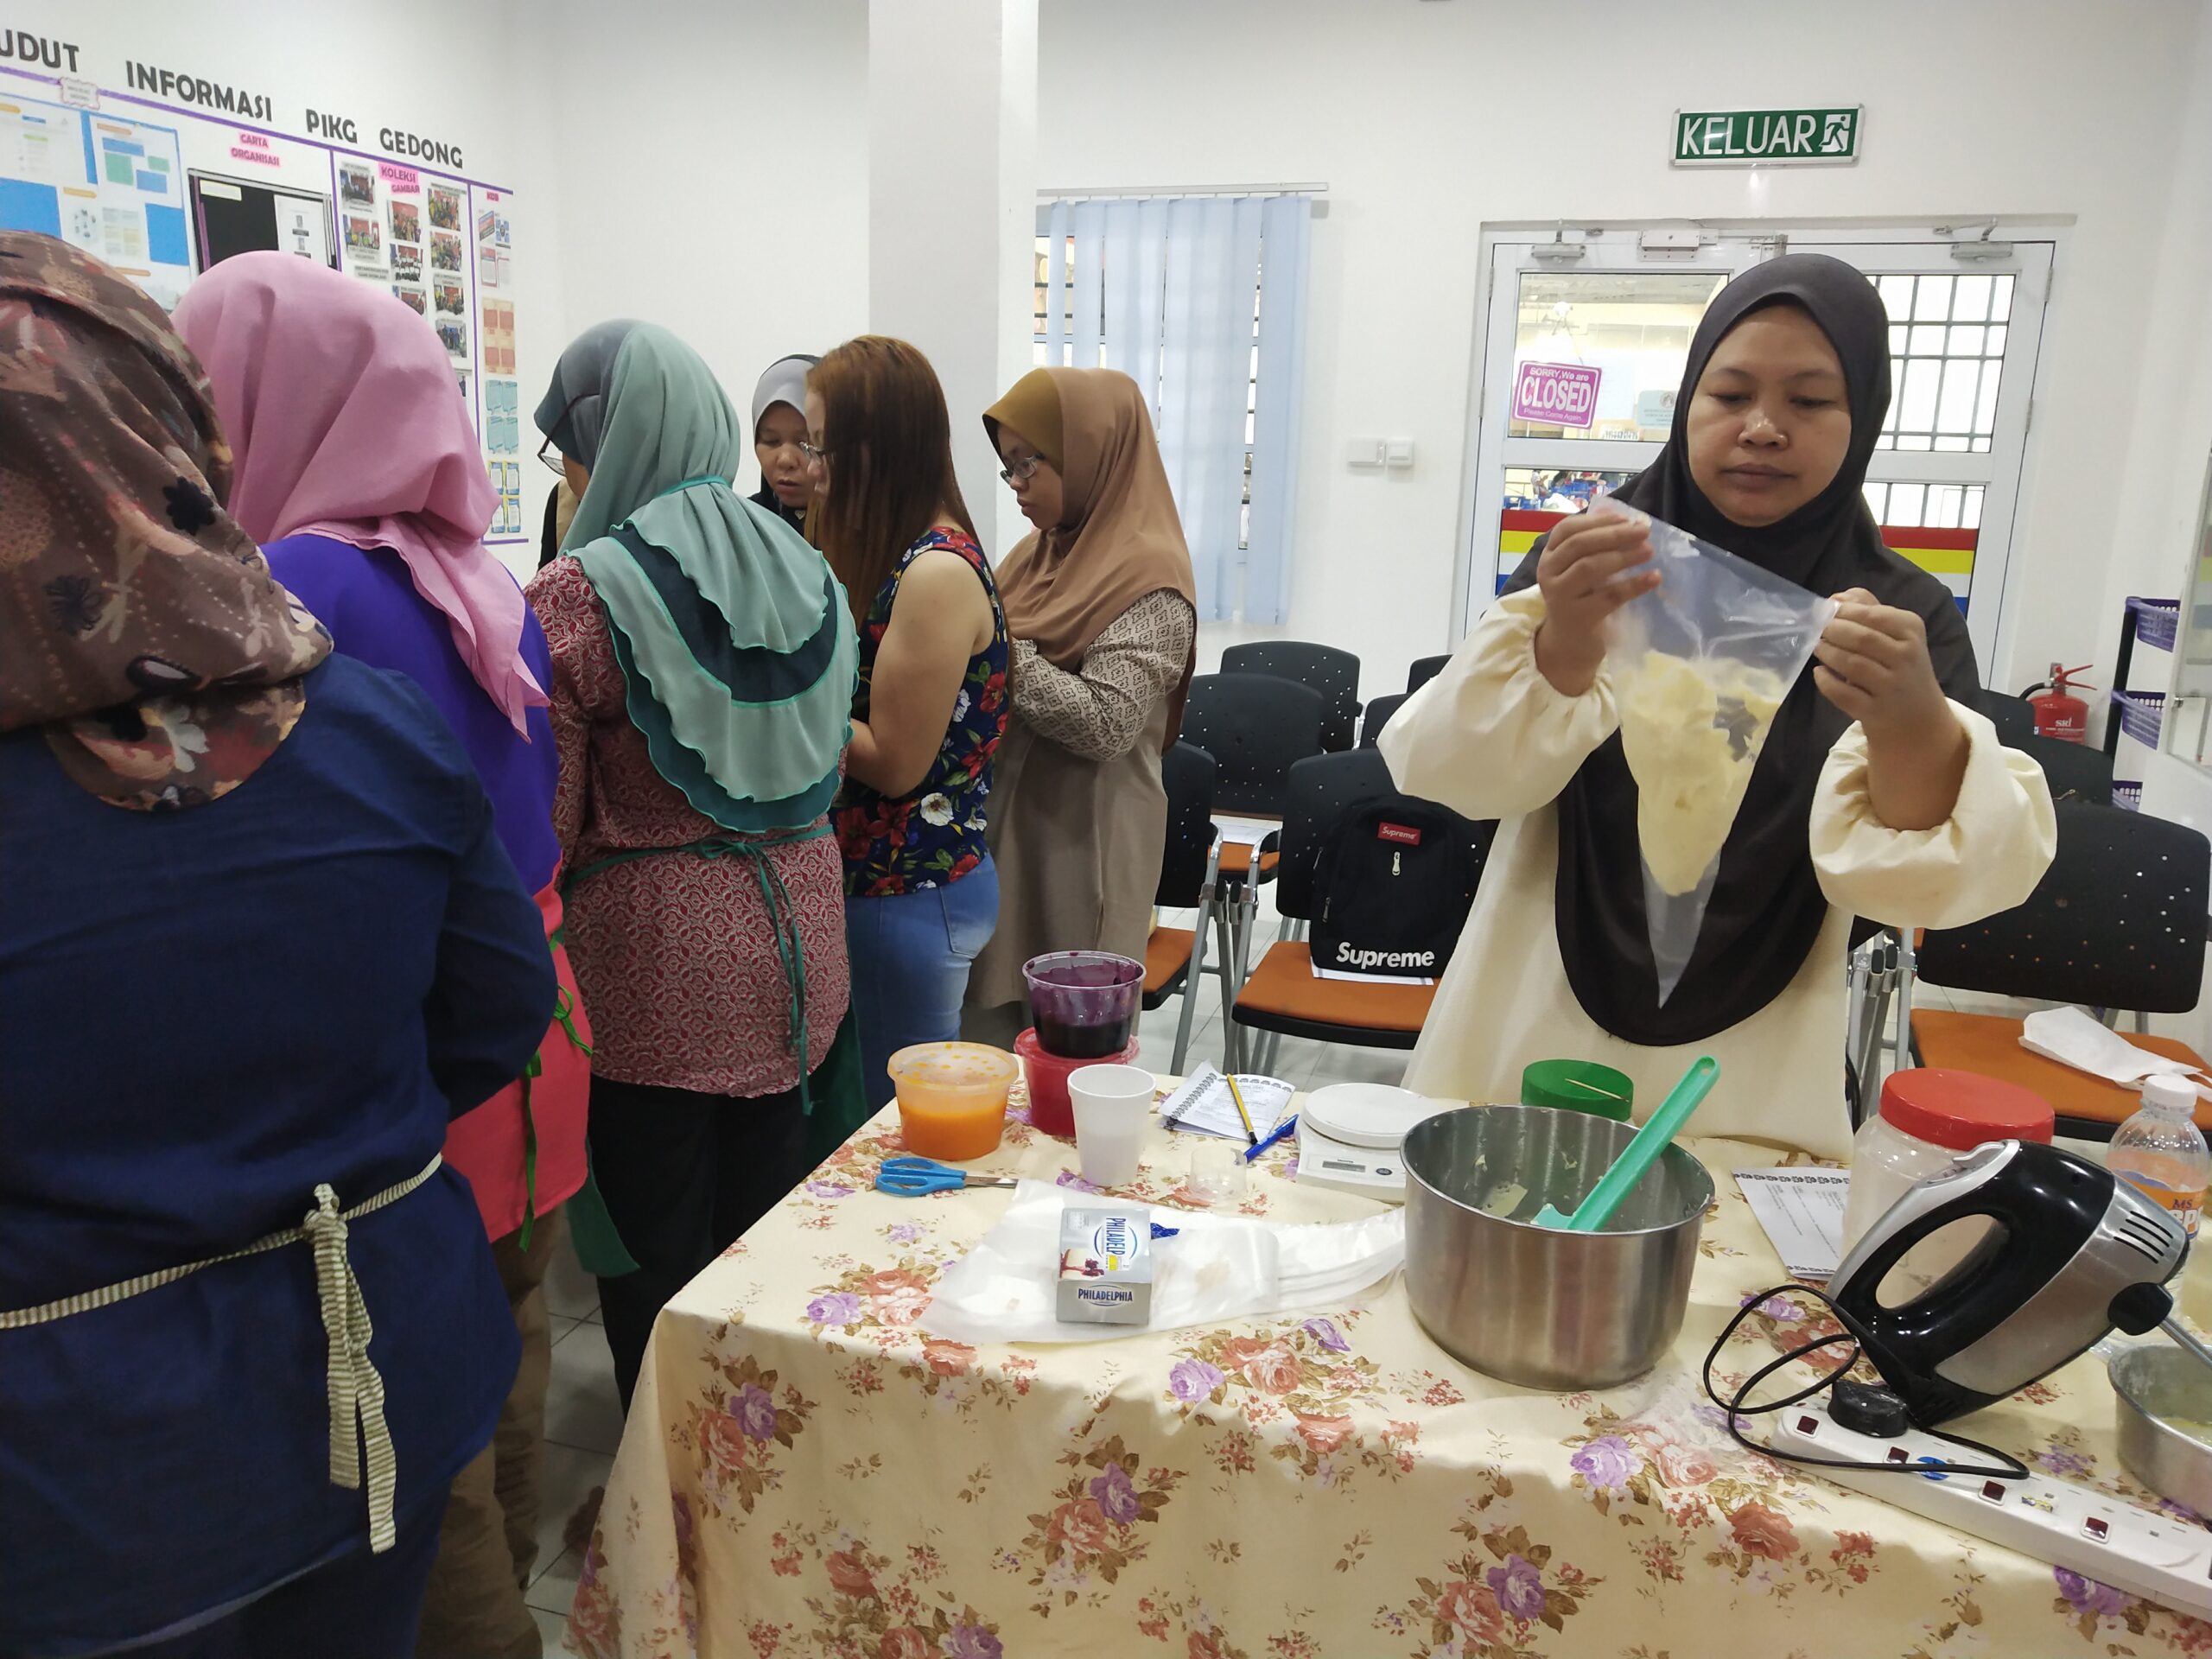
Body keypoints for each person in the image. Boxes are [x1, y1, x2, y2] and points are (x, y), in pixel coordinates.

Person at [0, 234, 554, 1657]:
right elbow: (494, 1003)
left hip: (83, 1461)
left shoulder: (339, 598)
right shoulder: (365, 720)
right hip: (379, 1345)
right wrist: (329, 1130)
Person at [1380, 255, 2057, 1159]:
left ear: (1862, 419)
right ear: (1686, 404)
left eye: (1809, 401)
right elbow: (1453, 777)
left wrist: (1909, 724)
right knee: (1502, 1211)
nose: (1762, 429)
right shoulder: (1597, 563)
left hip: (1763, 1044)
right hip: (1532, 1001)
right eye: (1730, 394)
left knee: (1725, 1237)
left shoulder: (1900, 620)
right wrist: (1566, 641)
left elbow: (1918, 888)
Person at [175, 252, 589, 1659]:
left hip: (413, 1052)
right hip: (536, 1028)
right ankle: (513, 1599)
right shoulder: (473, 573)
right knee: (508, 1351)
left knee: (414, 1436)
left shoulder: (292, 581)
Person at [527, 321, 861, 1411]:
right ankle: (765, 1467)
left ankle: (663, 1489)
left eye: (569, 448)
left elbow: (547, 826)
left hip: (655, 981)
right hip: (801, 959)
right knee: (766, 1249)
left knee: (657, 1258)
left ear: (610, 438)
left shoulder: (580, 592)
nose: (571, 475)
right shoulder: (806, 566)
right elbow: (825, 763)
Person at [963, 367, 1198, 1046]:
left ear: (1090, 450)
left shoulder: (1151, 577)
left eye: (1028, 463)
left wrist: (999, 650)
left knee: (1071, 1055)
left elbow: (1106, 724)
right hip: (1009, 830)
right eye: (1008, 467)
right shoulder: (1033, 556)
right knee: (987, 1048)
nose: (1016, 484)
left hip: (1086, 842)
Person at [808, 336, 1007, 1105]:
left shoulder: (935, 572)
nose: (810, 470)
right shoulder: (908, 556)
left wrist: (783, 708)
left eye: (820, 448)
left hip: (908, 884)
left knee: (896, 1129)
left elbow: (895, 761)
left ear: (871, 452)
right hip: (894, 882)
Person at [751, 352, 817, 534]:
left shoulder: (871, 532)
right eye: (771, 441)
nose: (786, 460)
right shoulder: (741, 527)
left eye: (804, 443)